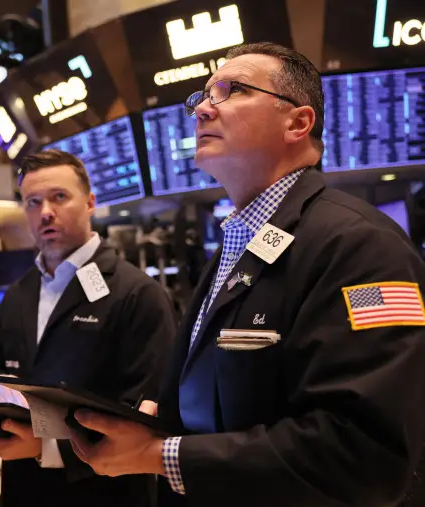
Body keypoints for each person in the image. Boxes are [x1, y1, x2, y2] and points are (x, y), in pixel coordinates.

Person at [66, 42, 425, 507]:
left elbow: (363, 454)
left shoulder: (361, 245)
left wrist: (163, 454)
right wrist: (157, 422)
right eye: (200, 98)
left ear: (298, 122)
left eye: (230, 91)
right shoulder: (238, 246)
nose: (202, 110)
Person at [0, 149, 177, 507]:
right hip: (20, 489)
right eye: (33, 202)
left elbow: (146, 414)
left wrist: (47, 446)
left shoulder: (138, 294)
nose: (45, 211)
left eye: (59, 197)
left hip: (105, 493)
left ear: (90, 202)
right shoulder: (19, 293)